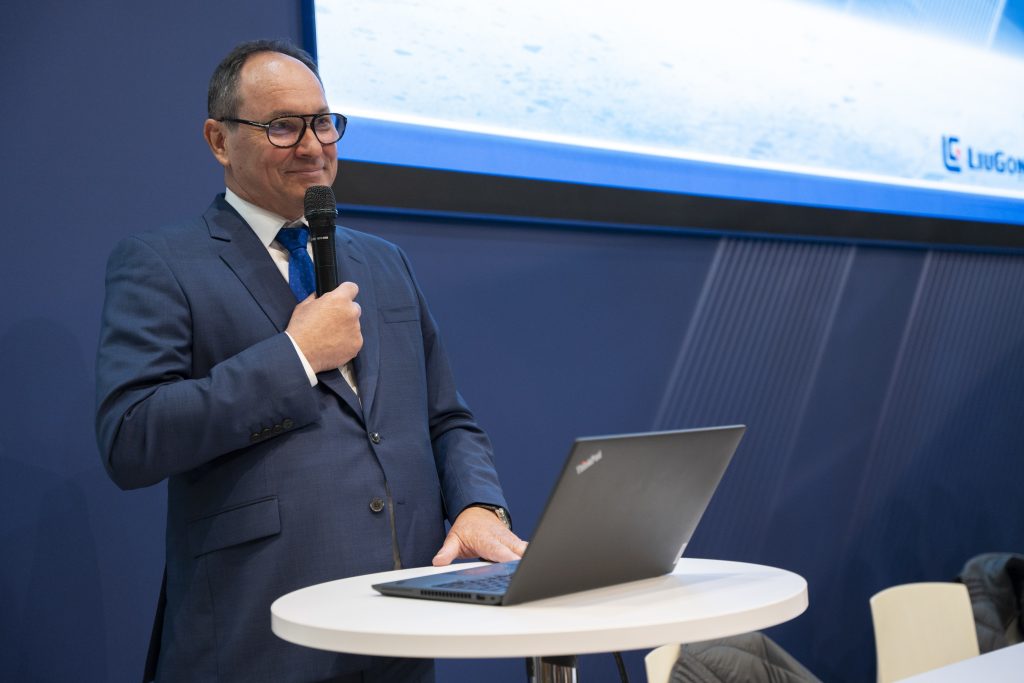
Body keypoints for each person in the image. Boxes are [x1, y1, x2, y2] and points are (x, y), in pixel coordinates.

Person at [95, 39, 526, 683]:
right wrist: (295, 356)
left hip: (401, 631)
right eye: (282, 126)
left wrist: (478, 507)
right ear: (219, 140)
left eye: (323, 122)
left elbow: (446, 419)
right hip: (258, 636)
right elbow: (131, 437)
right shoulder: (161, 262)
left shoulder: (384, 262)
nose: (312, 146)